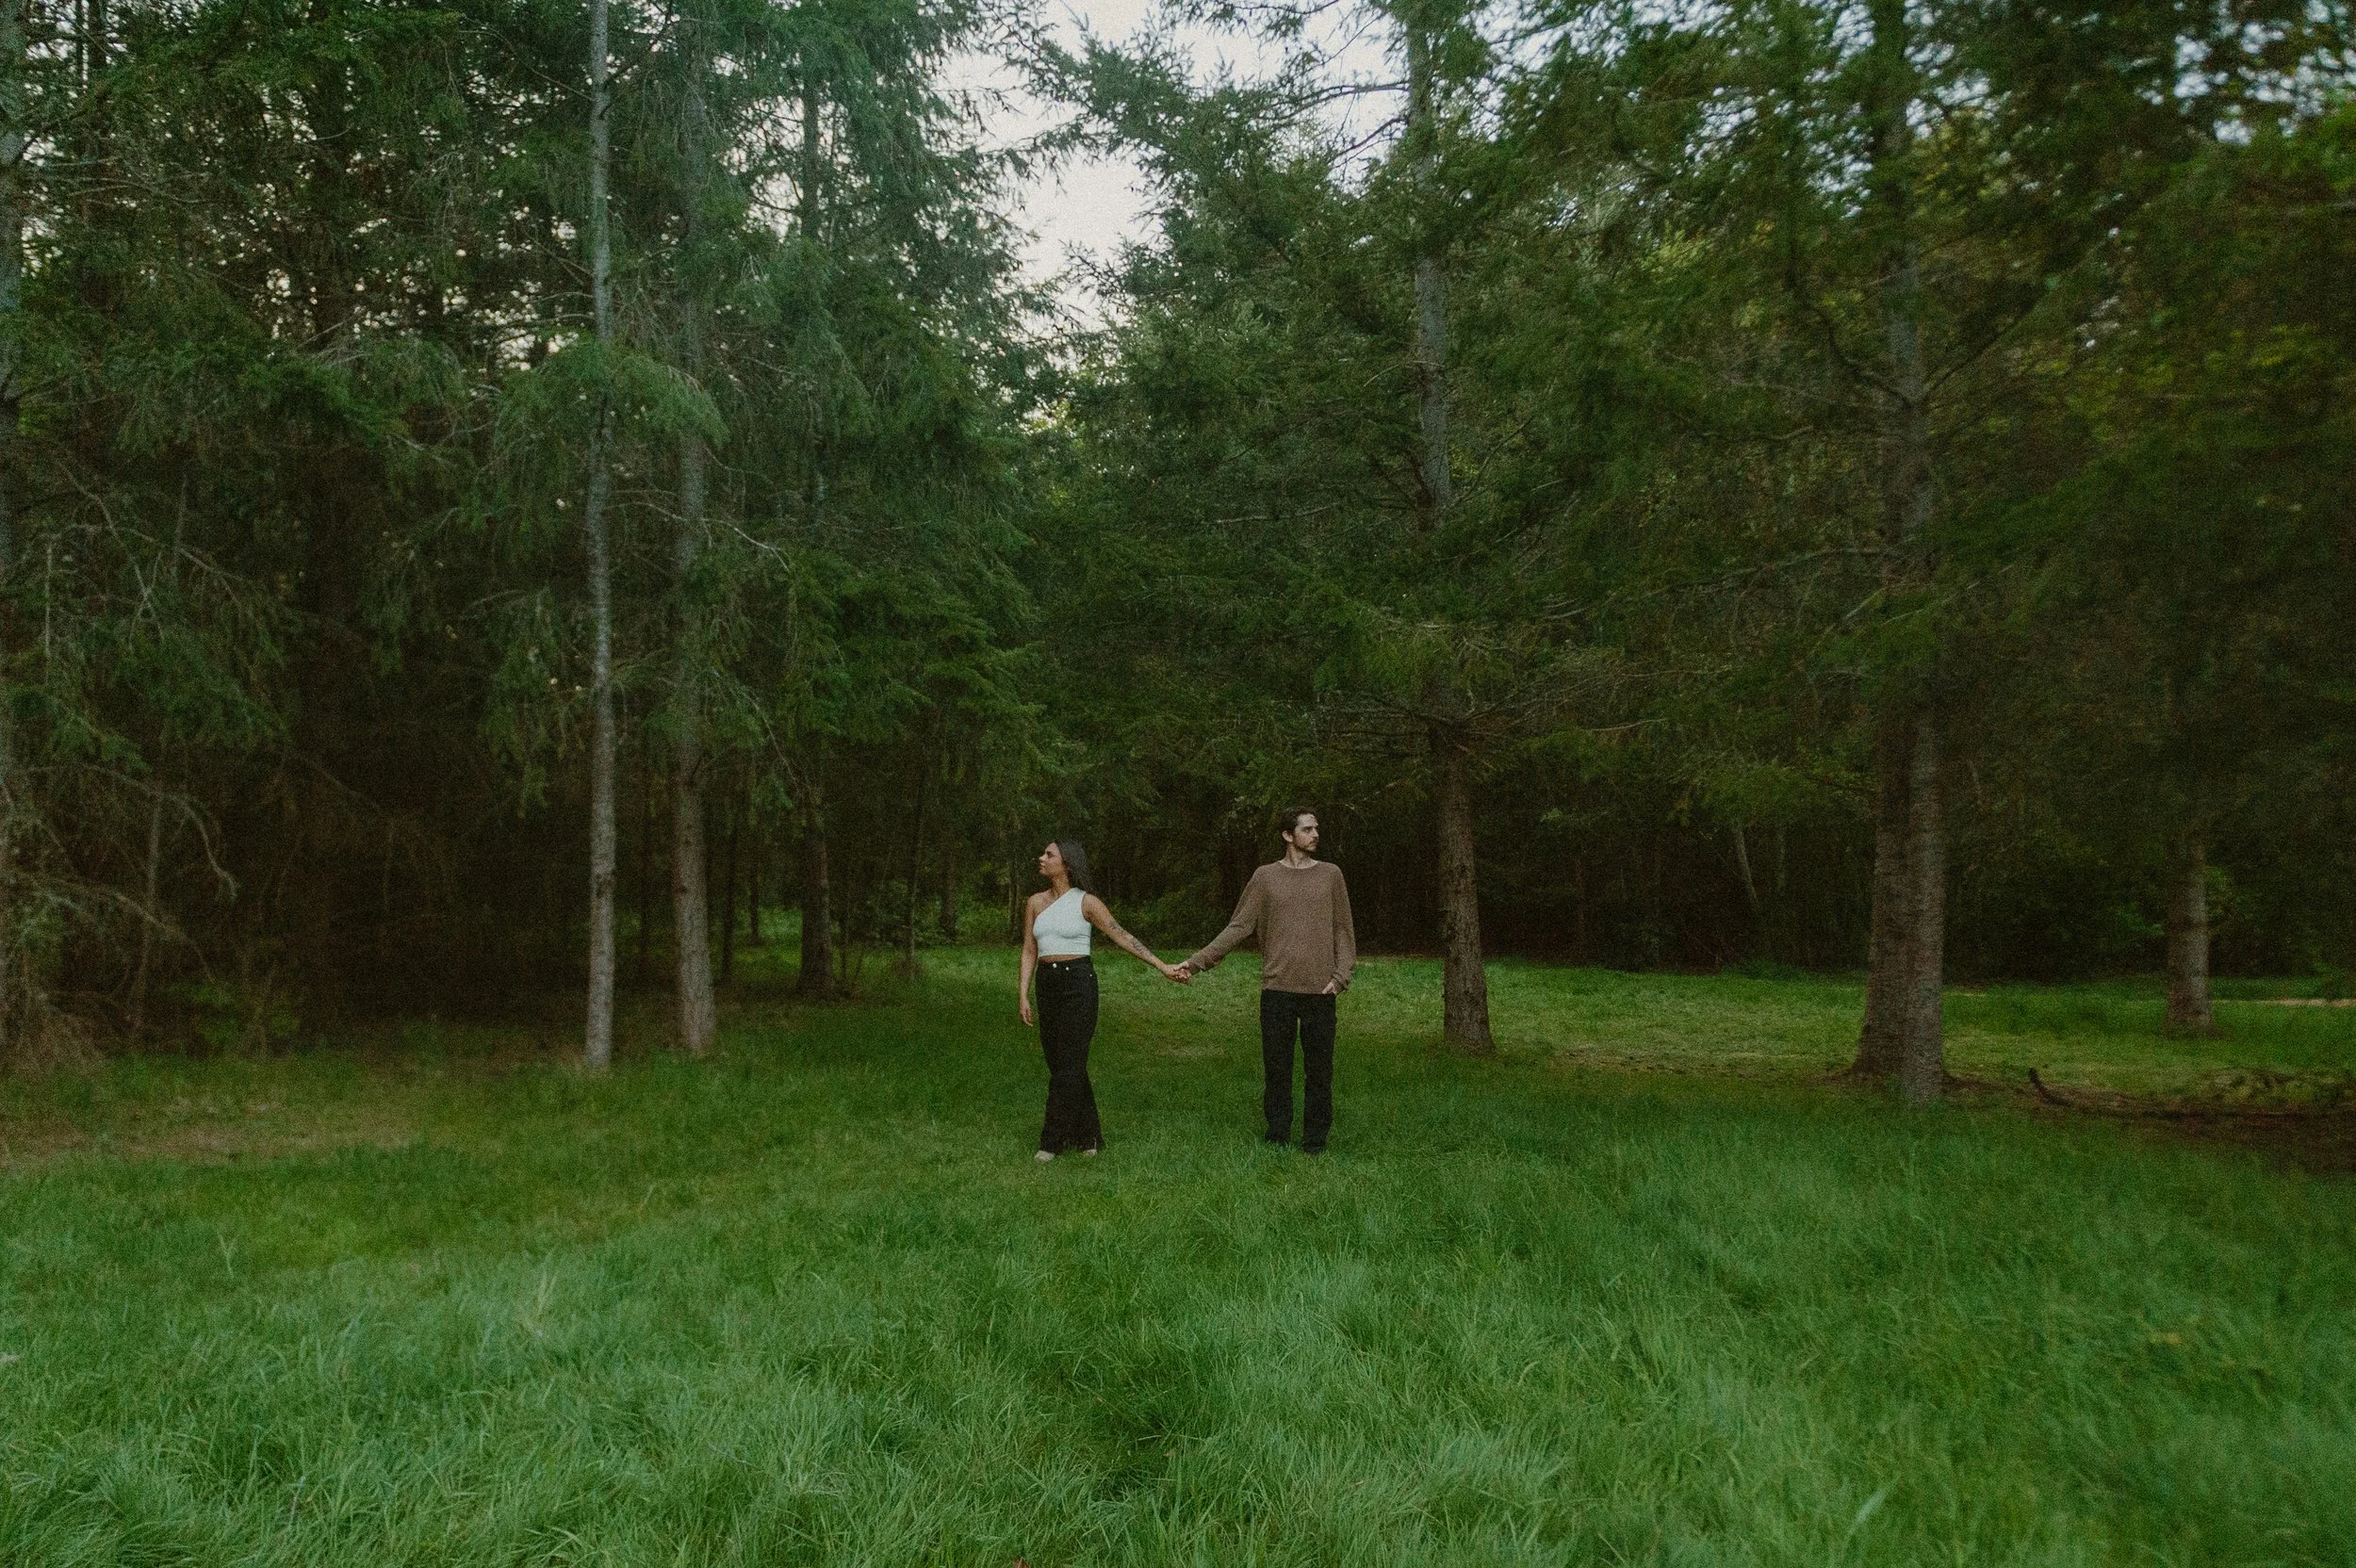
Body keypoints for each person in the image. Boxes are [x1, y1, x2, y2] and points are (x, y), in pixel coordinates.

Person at [1174, 808, 1355, 1153]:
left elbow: (1343, 930)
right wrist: (1196, 963)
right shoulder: (1265, 877)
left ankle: (1315, 1141)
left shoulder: (1331, 875)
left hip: (1321, 991)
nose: (1315, 834)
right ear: (1287, 835)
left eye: (1316, 828)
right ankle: (1278, 1136)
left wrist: (1341, 976)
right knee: (1277, 1070)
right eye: (1307, 829)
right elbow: (1239, 926)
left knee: (1320, 1072)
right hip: (1277, 991)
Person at [1018, 839, 1188, 1161]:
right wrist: (1023, 994)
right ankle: (1089, 1137)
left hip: (1078, 984)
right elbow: (1029, 949)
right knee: (1061, 1063)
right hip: (1047, 985)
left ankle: (1051, 1142)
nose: (1041, 858)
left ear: (1067, 863)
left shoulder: (1087, 903)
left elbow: (1122, 935)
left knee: (1069, 1063)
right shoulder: (1034, 903)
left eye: (1049, 855)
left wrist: (1162, 966)